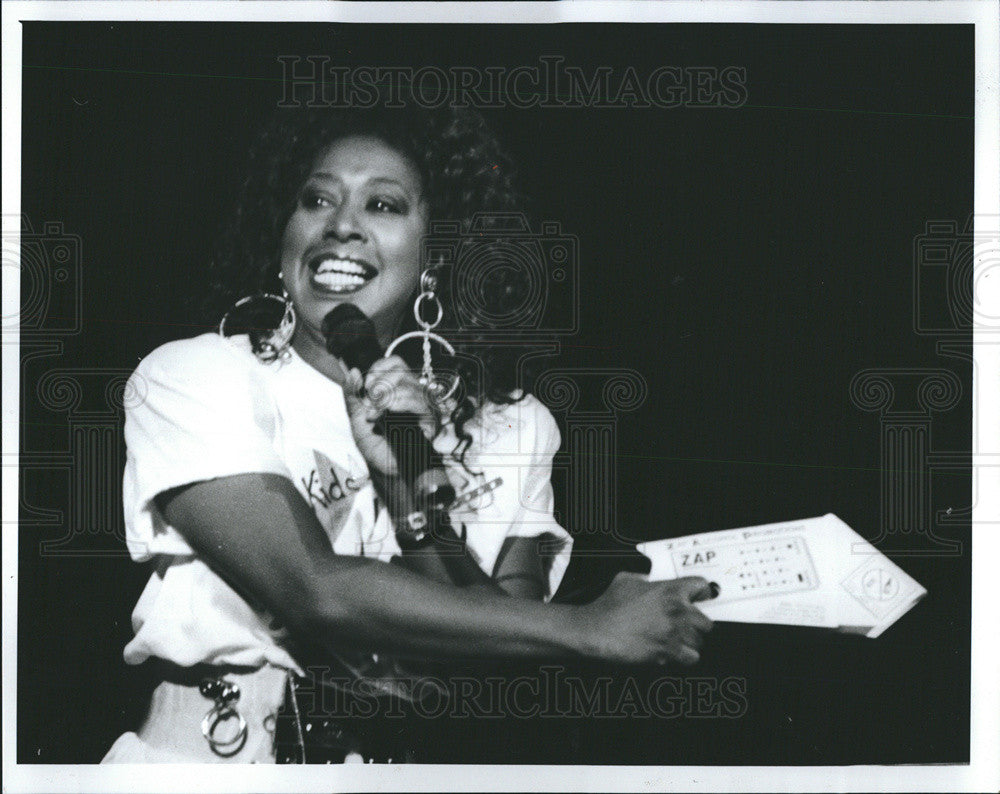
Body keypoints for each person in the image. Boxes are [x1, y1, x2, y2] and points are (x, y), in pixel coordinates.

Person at [102, 105, 715, 764]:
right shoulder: (198, 374)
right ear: (283, 240)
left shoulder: (512, 425)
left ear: (435, 258)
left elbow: (498, 655)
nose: (342, 225)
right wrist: (588, 625)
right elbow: (316, 590)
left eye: (384, 206)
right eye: (317, 199)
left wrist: (407, 499)